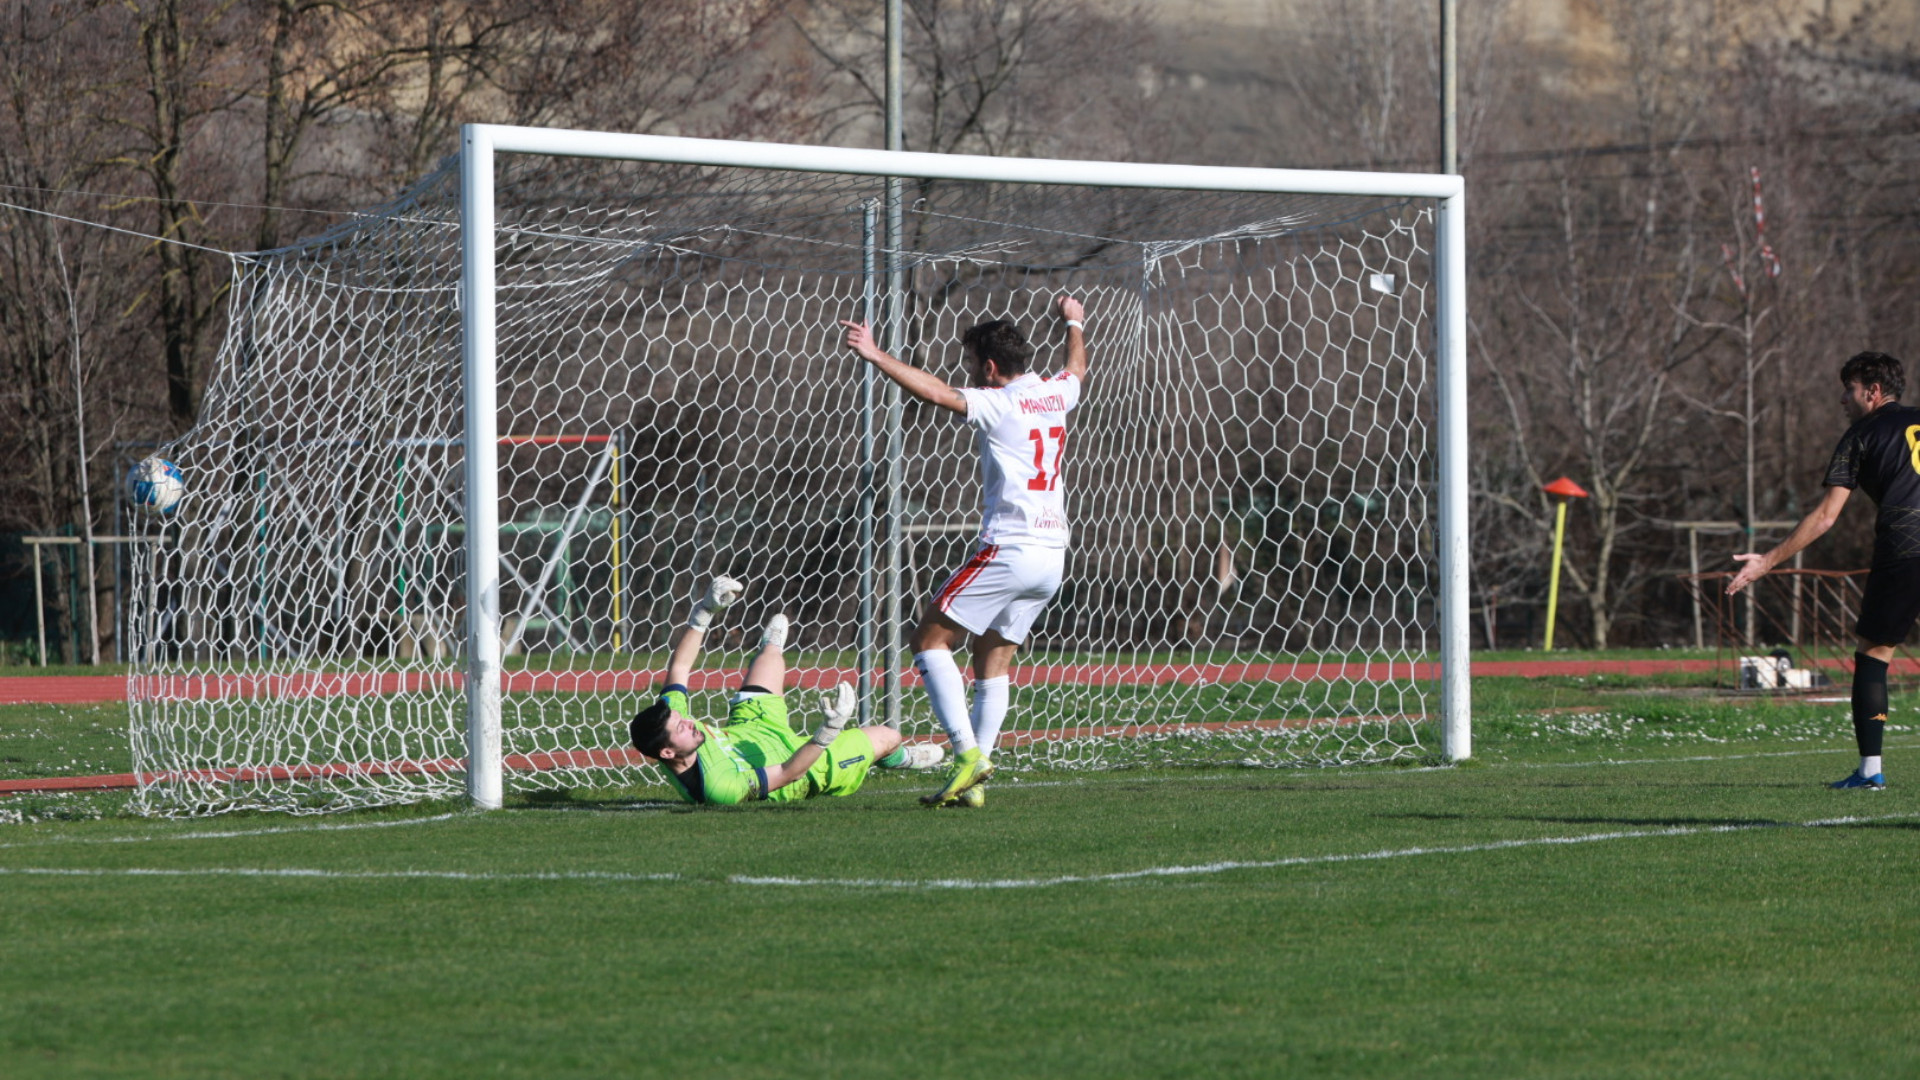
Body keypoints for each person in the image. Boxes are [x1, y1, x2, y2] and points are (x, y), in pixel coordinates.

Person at [840, 296, 1089, 807]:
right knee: (990, 661)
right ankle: (976, 779)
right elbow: (1076, 369)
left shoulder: (1000, 402)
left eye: (971, 365)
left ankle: (966, 754)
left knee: (929, 640)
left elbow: (936, 394)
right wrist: (1074, 322)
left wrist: (875, 354)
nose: (968, 374)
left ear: (991, 367)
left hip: (1010, 547)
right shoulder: (1055, 394)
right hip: (1053, 555)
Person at [1727, 351, 1917, 790]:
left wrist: (1767, 561)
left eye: (1848, 390)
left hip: (1906, 547)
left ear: (1871, 392)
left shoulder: (1861, 434)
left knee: (1873, 654)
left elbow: (1826, 516)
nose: (1842, 401)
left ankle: (1870, 772)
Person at [628, 576, 941, 806]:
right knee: (888, 736)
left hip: (751, 729)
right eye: (680, 727)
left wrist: (705, 611)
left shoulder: (674, 732)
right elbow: (788, 771)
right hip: (805, 766)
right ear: (667, 753)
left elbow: (680, 669)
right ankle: (898, 757)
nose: (688, 721)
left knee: (770, 655)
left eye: (681, 717)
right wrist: (829, 730)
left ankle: (770, 649)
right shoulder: (718, 788)